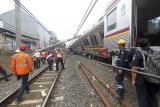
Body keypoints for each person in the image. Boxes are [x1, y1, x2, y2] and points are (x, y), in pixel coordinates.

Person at [131, 37, 160, 107]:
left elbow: (134, 68)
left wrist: (133, 80)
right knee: (153, 96)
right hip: (154, 77)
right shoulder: (155, 52)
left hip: (142, 77)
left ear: (139, 45)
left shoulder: (139, 53)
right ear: (148, 44)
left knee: (142, 97)